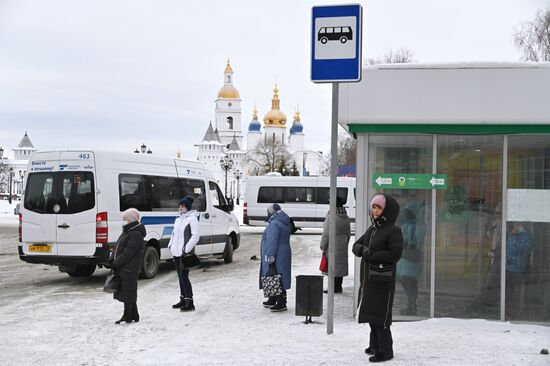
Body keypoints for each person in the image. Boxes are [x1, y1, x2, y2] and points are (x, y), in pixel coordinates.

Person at [352, 194, 403, 363]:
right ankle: (374, 345)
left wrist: (372, 255)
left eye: (378, 208)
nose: (375, 211)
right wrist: (363, 251)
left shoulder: (393, 230)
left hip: (382, 281)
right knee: (371, 314)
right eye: (373, 207)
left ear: (386, 210)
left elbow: (395, 254)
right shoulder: (372, 229)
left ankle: (385, 351)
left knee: (381, 317)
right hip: (369, 279)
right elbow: (356, 245)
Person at [110, 208, 146, 324]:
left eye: (125, 219)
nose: (123, 221)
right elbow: (118, 247)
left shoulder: (135, 233)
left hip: (130, 267)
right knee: (128, 291)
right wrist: (112, 259)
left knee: (128, 292)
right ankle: (134, 314)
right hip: (125, 267)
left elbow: (128, 253)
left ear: (131, 220)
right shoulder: (128, 231)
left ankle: (128, 315)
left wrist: (116, 263)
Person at [168, 196, 200, 312]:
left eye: (182, 206)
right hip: (176, 252)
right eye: (179, 206)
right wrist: (170, 245)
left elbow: (195, 236)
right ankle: (182, 299)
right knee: (180, 276)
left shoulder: (192, 219)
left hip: (185, 253)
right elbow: (173, 234)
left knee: (184, 277)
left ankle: (190, 301)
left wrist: (186, 249)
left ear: (187, 207)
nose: (180, 208)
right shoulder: (178, 219)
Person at [259, 203, 292, 312]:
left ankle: (281, 301)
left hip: (277, 254)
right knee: (278, 276)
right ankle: (273, 298)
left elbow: (272, 242)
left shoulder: (274, 224)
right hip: (283, 253)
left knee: (275, 276)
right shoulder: (283, 221)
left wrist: (270, 255)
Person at [396, 203, 426, 315]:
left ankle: (412, 305)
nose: (405, 215)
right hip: (404, 257)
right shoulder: (406, 225)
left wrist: (407, 243)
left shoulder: (418, 226)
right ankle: (411, 305)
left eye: (408, 213)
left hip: (411, 257)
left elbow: (417, 242)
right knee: (406, 281)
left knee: (410, 282)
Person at [319, 196, 351, 293]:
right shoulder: (346, 217)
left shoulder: (331, 217)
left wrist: (322, 246)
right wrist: (345, 242)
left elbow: (326, 234)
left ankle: (332, 288)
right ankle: (338, 286)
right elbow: (348, 233)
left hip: (332, 246)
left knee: (332, 267)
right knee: (340, 267)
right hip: (342, 245)